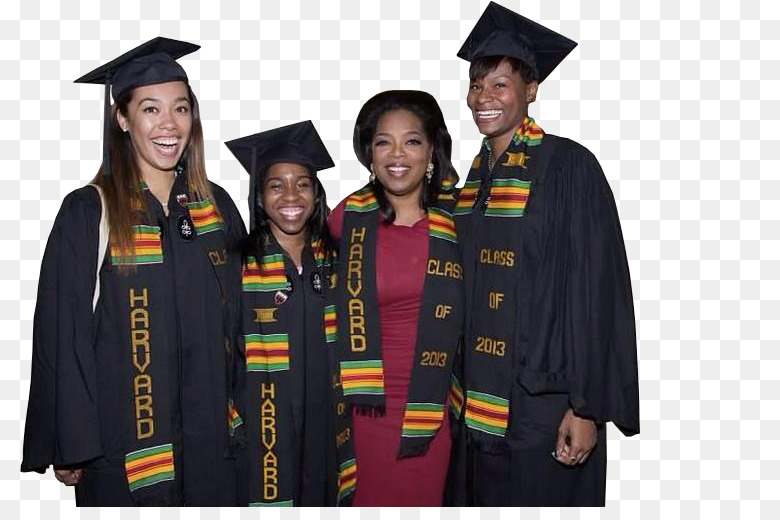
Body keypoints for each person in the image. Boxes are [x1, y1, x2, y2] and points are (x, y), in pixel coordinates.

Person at [20, 37, 247, 506]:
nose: (169, 124)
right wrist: (72, 441)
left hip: (213, 449)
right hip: (124, 449)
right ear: (121, 119)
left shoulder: (216, 208)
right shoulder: (89, 212)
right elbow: (64, 335)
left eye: (181, 109)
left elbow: (243, 323)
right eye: (150, 109)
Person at [446, 2, 640, 506]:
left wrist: (587, 407)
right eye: (476, 85)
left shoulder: (567, 167)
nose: (483, 98)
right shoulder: (469, 185)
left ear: (531, 90)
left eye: (499, 85)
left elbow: (597, 291)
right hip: (473, 405)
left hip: (543, 404)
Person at [328, 90, 463, 506]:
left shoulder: (461, 221)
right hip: (362, 412)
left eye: (412, 141)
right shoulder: (344, 220)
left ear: (432, 151)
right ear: (369, 153)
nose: (397, 154)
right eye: (383, 141)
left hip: (431, 411)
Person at [225, 120, 355, 506]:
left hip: (327, 419)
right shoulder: (236, 266)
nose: (290, 195)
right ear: (260, 198)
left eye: (302, 183)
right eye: (275, 185)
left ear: (316, 193)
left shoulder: (338, 261)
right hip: (263, 418)